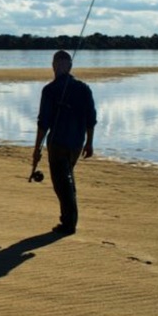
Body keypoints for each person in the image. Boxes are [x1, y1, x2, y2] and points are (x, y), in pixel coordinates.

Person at [32, 50, 96, 235]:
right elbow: (90, 119)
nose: (58, 67)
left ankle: (68, 223)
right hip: (76, 142)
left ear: (66, 66)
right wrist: (89, 142)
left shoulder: (52, 89)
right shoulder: (82, 88)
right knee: (66, 178)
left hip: (60, 142)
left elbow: (43, 122)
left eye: (60, 64)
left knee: (62, 182)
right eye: (58, 64)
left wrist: (37, 149)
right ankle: (68, 219)